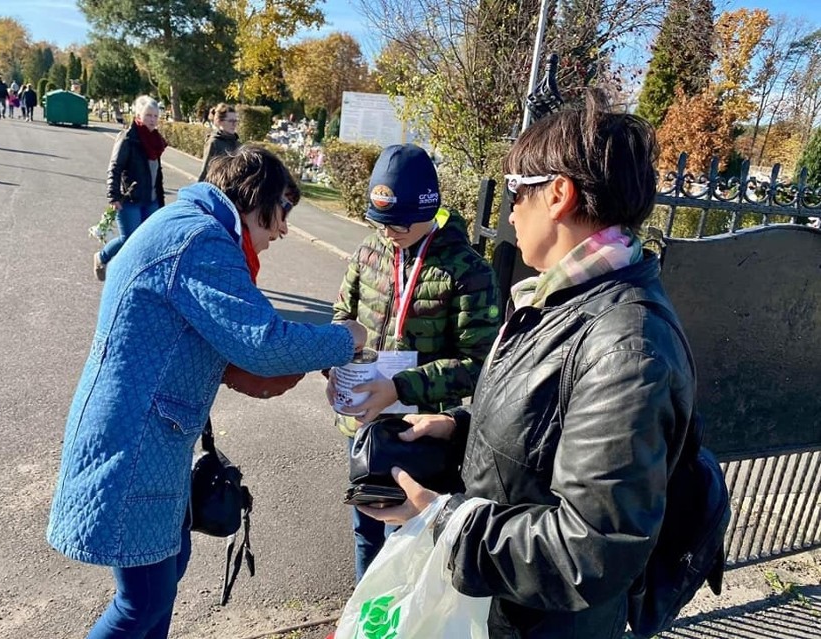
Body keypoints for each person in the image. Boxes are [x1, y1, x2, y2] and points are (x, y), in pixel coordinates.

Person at [359, 91, 697, 639]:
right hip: (505, 605)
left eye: (517, 191)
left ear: (559, 194)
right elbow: (550, 430)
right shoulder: (563, 298)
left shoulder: (627, 345)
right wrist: (458, 428)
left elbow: (591, 547)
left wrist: (443, 522)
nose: (510, 210)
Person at [47, 144, 368, 639]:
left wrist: (245, 369)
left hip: (144, 436)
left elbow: (195, 333)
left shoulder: (187, 222)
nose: (283, 228)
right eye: (281, 211)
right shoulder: (202, 240)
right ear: (255, 199)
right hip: (137, 445)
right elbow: (263, 343)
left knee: (163, 577)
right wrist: (346, 338)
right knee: (144, 599)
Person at [328, 143, 501, 581]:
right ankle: (366, 622)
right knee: (365, 530)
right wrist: (333, 368)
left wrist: (402, 387)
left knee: (407, 545)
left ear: (431, 206)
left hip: (418, 434)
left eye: (401, 222)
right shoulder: (368, 251)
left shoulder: (467, 270)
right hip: (363, 425)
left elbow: (482, 366)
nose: (390, 232)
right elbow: (340, 319)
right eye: (380, 221)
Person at [94, 95, 167, 281]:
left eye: (155, 116)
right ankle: (102, 257)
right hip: (131, 199)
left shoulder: (156, 141)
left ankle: (138, 276)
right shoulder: (128, 138)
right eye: (148, 115)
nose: (152, 119)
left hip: (151, 200)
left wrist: (160, 199)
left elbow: (156, 173)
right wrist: (113, 196)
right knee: (129, 239)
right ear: (139, 115)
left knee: (149, 239)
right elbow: (114, 168)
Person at [197, 103, 240, 181]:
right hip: (217, 186)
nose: (234, 124)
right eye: (230, 121)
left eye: (235, 121)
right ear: (220, 121)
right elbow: (205, 170)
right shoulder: (214, 142)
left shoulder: (237, 143)